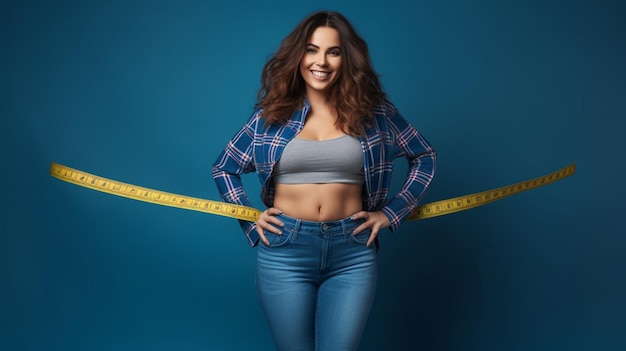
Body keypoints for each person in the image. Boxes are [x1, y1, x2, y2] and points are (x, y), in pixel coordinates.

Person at [212, 10, 436, 351]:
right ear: (298, 55)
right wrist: (248, 218)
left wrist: (392, 213)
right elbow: (224, 167)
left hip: (353, 252)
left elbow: (425, 156)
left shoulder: (375, 112)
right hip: (285, 250)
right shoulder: (270, 116)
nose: (322, 61)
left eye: (334, 51)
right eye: (313, 50)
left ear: (347, 59)